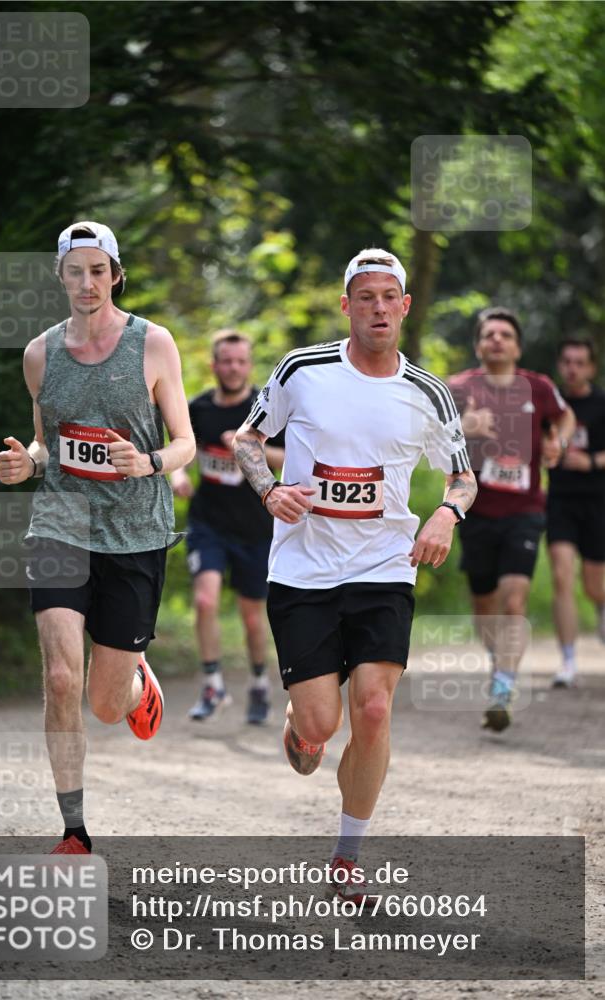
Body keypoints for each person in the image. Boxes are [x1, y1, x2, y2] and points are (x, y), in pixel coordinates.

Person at [233, 248, 476, 901]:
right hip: (304, 569)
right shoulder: (302, 370)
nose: (376, 307)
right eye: (362, 296)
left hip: (382, 569)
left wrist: (445, 516)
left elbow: (462, 477)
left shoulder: (427, 393)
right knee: (321, 726)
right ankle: (300, 723)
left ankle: (346, 856)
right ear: (346, 306)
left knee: (372, 708)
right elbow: (246, 441)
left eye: (386, 296)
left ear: (404, 306)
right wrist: (268, 492)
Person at [0, 221, 195, 854]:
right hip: (60, 522)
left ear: (115, 275)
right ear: (61, 277)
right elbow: (46, 441)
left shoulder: (152, 344)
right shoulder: (39, 353)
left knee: (106, 705)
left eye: (98, 271)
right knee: (60, 678)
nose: (88, 283)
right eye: (75, 271)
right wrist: (28, 462)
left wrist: (151, 462)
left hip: (135, 530)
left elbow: (185, 441)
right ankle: (74, 831)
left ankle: (135, 679)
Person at [448, 307, 575, 732]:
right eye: (490, 334)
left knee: (514, 598)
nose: (497, 340)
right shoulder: (460, 388)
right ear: (479, 344)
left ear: (517, 346)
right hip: (475, 509)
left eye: (505, 334)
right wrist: (463, 426)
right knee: (484, 605)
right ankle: (499, 663)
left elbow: (564, 416)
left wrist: (559, 440)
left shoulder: (537, 386)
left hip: (525, 509)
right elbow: (428, 433)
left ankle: (503, 685)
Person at [170, 330, 284, 723]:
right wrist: (178, 477)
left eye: (241, 361)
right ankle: (213, 685)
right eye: (226, 361)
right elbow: (183, 448)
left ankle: (258, 685)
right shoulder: (198, 408)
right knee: (205, 600)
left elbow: (287, 456)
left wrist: (246, 445)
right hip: (209, 523)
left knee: (253, 617)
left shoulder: (265, 408)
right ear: (215, 365)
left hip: (256, 528)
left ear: (249, 366)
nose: (234, 368)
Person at [547, 338, 605, 687]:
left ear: (591, 368)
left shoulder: (602, 403)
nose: (573, 368)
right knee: (561, 575)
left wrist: (592, 461)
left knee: (595, 585)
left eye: (580, 362)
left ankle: (600, 606)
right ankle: (568, 661)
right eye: (567, 361)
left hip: (598, 500)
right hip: (560, 501)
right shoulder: (550, 405)